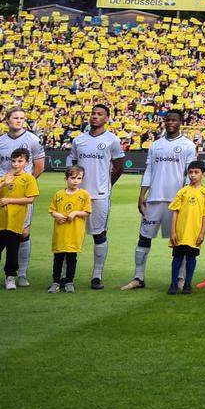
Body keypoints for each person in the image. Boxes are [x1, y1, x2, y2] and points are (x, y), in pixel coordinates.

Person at [122, 108, 196, 292]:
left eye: (174, 120)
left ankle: (180, 279)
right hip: (154, 199)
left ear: (180, 123)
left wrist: (185, 198)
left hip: (176, 201)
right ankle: (138, 277)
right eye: (168, 120)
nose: (170, 122)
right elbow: (149, 170)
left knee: (180, 241)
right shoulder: (155, 145)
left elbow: (190, 174)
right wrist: (142, 195)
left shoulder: (188, 145)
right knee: (144, 237)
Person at [69, 104, 126, 290]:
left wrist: (106, 184)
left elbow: (119, 167)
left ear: (107, 118)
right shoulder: (78, 140)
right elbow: (74, 167)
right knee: (71, 235)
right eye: (93, 113)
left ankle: (97, 275)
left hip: (100, 195)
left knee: (99, 234)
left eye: (99, 114)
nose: (95, 116)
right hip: (78, 195)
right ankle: (65, 276)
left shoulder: (112, 140)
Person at [0, 108, 46, 286]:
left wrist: (24, 184)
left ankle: (20, 273)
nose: (19, 121)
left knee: (23, 232)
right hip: (3, 193)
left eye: (22, 118)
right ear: (7, 120)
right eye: (15, 118)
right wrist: (5, 183)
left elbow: (39, 166)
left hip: (22, 195)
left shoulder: (33, 140)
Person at [0, 149, 38, 291]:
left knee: (12, 250)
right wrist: (4, 183)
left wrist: (9, 200)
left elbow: (30, 198)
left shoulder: (29, 178)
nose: (16, 164)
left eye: (20, 161)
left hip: (15, 221)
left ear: (26, 162)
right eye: (14, 161)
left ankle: (10, 277)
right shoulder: (6, 176)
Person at [167, 159, 205, 295]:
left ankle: (188, 283)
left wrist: (202, 233)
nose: (193, 175)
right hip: (180, 232)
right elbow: (175, 211)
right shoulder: (183, 191)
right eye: (190, 172)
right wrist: (173, 231)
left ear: (203, 174)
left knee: (191, 258)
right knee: (176, 257)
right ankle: (173, 283)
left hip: (194, 233)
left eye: (196, 172)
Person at [46, 165, 92, 294]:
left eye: (79, 178)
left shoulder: (84, 195)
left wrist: (76, 213)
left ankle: (69, 282)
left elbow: (87, 212)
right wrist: (57, 215)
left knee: (72, 257)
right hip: (60, 232)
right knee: (58, 258)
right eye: (72, 178)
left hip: (74, 233)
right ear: (66, 179)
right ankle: (55, 282)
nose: (75, 181)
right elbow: (52, 210)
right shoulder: (59, 194)